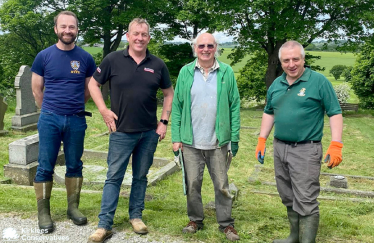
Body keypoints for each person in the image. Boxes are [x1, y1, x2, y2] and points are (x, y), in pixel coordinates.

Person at [87, 18, 174, 243]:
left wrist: (163, 122)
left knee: (141, 177)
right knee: (113, 177)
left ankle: (136, 216)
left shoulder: (158, 64)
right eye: (136, 34)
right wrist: (104, 110)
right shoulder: (113, 59)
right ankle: (104, 225)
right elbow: (92, 84)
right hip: (121, 131)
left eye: (144, 34)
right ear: (128, 35)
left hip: (148, 132)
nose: (139, 38)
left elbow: (168, 93)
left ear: (149, 38)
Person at [255, 40, 343, 243]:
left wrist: (336, 144)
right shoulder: (277, 84)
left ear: (303, 59)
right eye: (286, 60)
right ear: (281, 62)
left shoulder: (319, 81)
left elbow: (335, 112)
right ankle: (294, 236)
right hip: (280, 148)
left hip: (305, 149)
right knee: (287, 195)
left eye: (296, 59)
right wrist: (262, 139)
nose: (291, 64)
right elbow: (269, 112)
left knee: (305, 199)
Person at [31, 11, 96, 233]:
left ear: (77, 30)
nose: (68, 30)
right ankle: (44, 212)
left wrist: (73, 107)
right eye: (64, 27)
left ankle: (73, 208)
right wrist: (50, 111)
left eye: (72, 27)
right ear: (56, 29)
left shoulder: (86, 58)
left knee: (75, 164)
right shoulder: (44, 56)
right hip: (49, 118)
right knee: (44, 166)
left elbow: (89, 89)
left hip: (76, 119)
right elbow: (37, 89)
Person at [171, 33, 241, 241]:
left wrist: (234, 138)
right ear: (195, 48)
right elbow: (177, 107)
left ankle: (226, 224)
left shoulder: (226, 72)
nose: (205, 49)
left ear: (216, 47)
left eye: (210, 45)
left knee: (221, 184)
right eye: (201, 45)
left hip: (218, 141)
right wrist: (176, 137)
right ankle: (195, 220)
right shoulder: (186, 72)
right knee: (192, 183)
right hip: (190, 141)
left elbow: (234, 106)